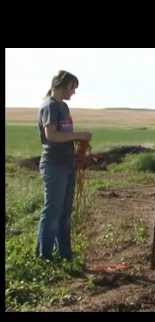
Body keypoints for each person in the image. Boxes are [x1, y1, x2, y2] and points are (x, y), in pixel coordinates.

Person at [37, 70, 92, 260]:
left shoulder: (63, 107)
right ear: (62, 85)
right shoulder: (50, 106)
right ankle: (45, 257)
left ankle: (65, 254)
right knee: (52, 210)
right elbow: (51, 135)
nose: (74, 92)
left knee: (65, 211)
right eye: (72, 87)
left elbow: (64, 135)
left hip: (67, 164)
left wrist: (78, 150)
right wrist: (79, 135)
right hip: (54, 165)